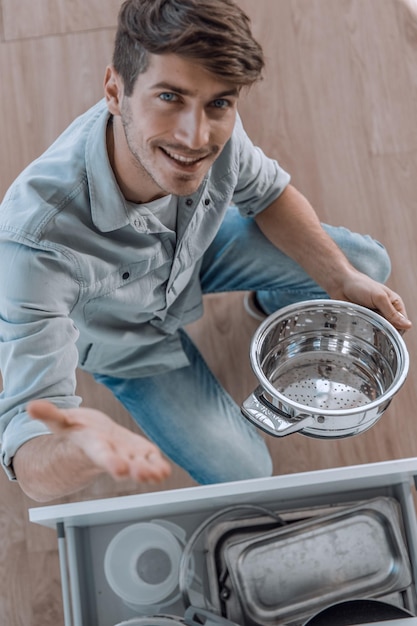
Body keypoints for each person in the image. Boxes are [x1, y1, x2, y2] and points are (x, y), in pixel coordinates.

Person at [0, 0, 411, 503]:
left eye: (220, 103)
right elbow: (27, 445)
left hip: (197, 251)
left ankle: (268, 305)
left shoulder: (212, 124)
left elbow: (269, 193)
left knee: (366, 267)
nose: (196, 138)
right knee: (247, 471)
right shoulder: (34, 247)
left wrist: (342, 280)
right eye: (169, 97)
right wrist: (83, 449)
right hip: (129, 343)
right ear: (114, 90)